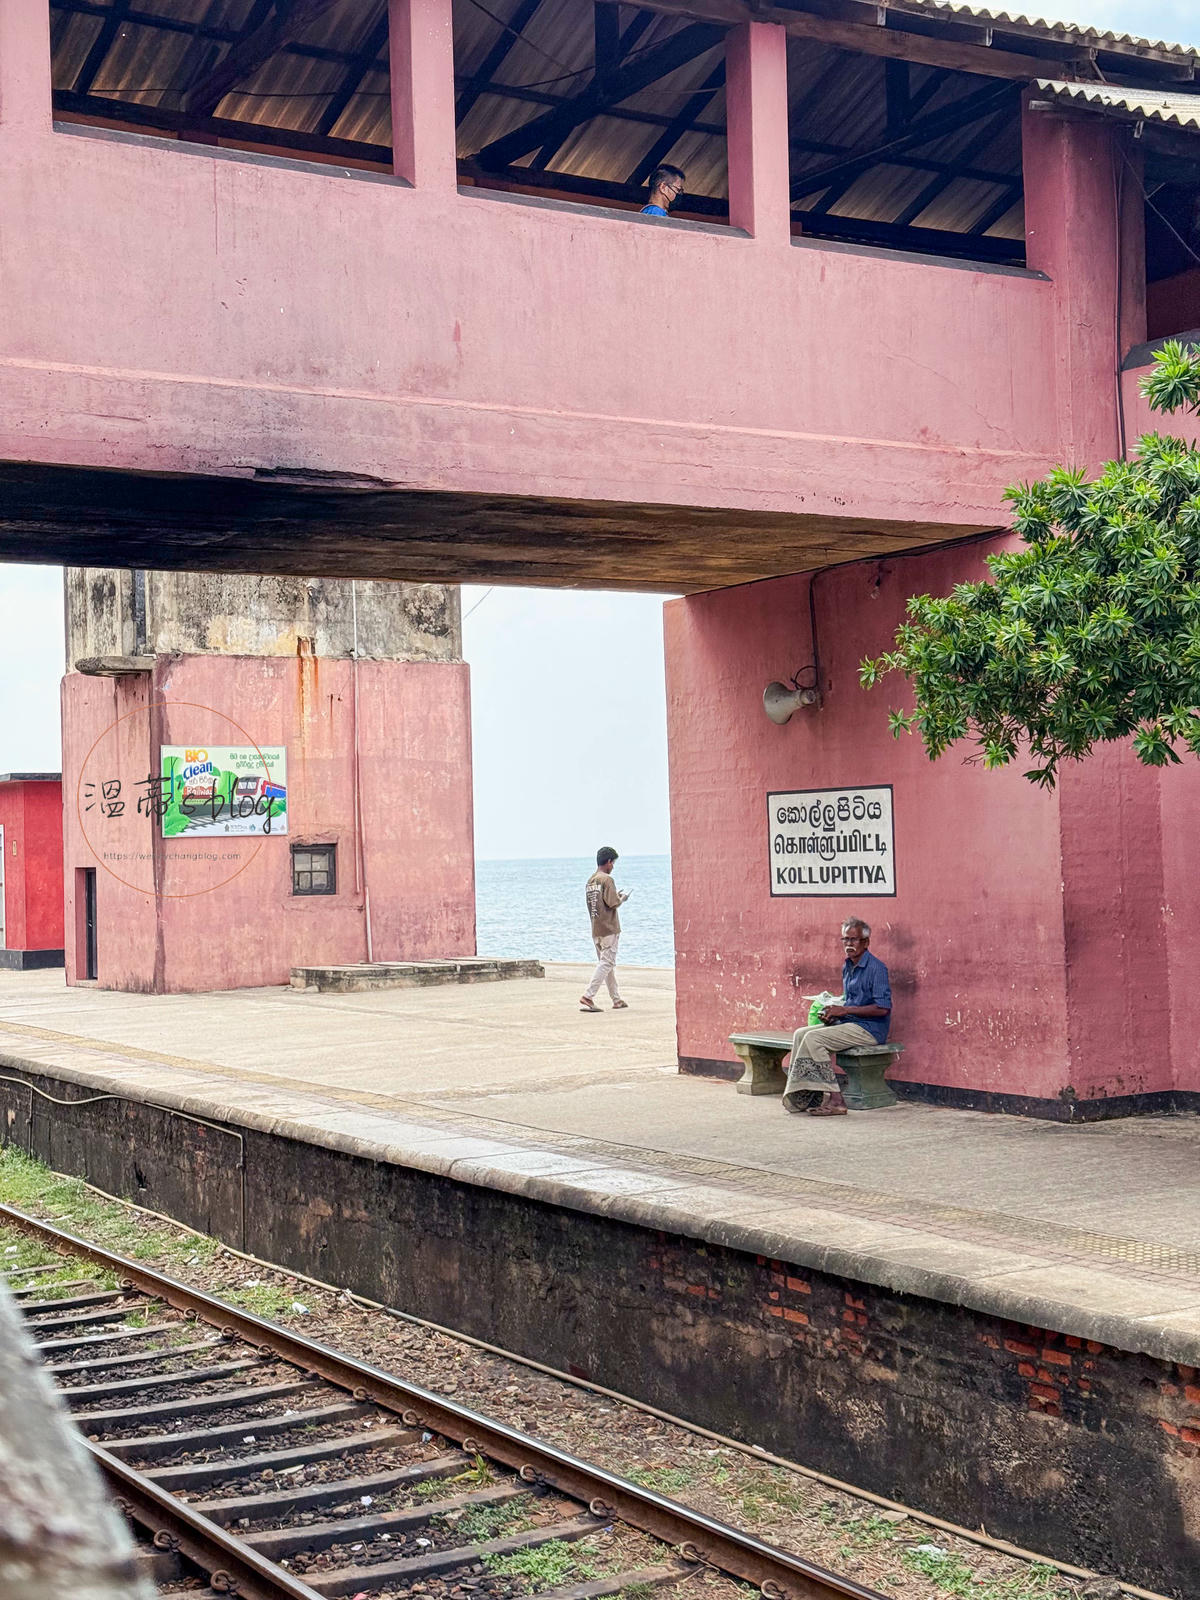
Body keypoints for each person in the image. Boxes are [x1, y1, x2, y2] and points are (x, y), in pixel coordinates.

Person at [783, 918, 892, 1117]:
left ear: (866, 943)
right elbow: (850, 1002)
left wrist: (845, 1011)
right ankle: (807, 1094)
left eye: (854, 940)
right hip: (850, 1024)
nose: (849, 944)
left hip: (870, 1029)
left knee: (814, 1039)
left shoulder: (877, 969)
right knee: (800, 1034)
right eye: (845, 940)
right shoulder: (847, 966)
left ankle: (836, 1100)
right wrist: (832, 1014)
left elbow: (883, 1008)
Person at [580, 846, 630, 1012]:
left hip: (596, 928)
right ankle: (589, 995)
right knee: (607, 963)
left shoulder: (591, 881)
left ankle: (616, 999)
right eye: (613, 863)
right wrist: (622, 898)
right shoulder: (607, 880)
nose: (613, 867)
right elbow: (613, 902)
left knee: (606, 964)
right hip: (609, 928)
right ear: (608, 862)